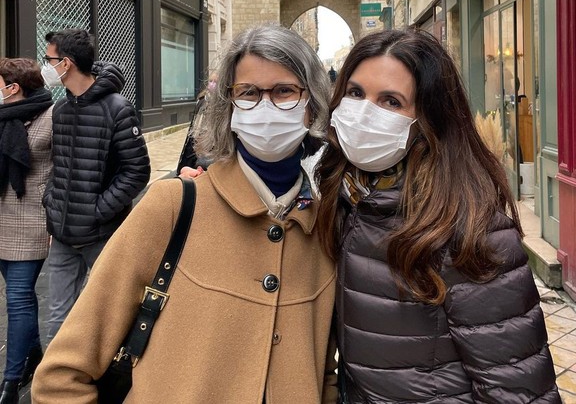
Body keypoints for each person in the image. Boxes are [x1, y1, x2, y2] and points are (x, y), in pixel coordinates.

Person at [32, 24, 338, 403]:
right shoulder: (173, 207)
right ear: (228, 104)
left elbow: (324, 370)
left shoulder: (325, 228)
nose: (265, 106)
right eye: (247, 93)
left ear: (313, 104)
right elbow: (62, 374)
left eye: (284, 91)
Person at [316, 28, 560, 403]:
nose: (364, 113)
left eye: (391, 102)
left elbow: (516, 387)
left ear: (429, 119)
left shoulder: (467, 225)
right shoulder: (350, 197)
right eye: (355, 93)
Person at [40, 29, 150, 342]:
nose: (44, 66)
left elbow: (137, 170)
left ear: (67, 63)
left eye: (49, 59)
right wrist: (53, 206)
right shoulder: (60, 110)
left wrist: (97, 210)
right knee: (58, 319)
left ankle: (103, 384)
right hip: (62, 234)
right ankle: (57, 387)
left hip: (101, 234)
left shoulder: (118, 108)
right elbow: (58, 166)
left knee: (105, 317)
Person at [0, 59, 54, 404]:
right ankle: (34, 354)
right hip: (1, 217)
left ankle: (11, 378)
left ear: (13, 86)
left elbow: (66, 170)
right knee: (19, 298)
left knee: (18, 299)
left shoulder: (51, 118)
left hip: (31, 220)